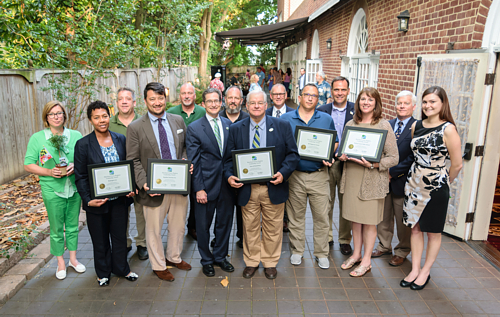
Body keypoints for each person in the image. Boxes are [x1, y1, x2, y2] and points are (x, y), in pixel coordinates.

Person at [224, 90, 300, 279]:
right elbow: (227, 160)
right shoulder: (236, 129)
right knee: (249, 227)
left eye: (260, 103)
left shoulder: (282, 126)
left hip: (273, 186)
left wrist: (283, 173)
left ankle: (269, 262)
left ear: (266, 106)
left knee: (273, 227)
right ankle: (251, 262)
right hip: (247, 188)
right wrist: (229, 176)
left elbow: (293, 154)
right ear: (246, 106)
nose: (256, 106)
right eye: (253, 103)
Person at [126, 82, 192, 282]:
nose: (157, 102)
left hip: (178, 186)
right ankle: (159, 265)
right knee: (153, 230)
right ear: (145, 101)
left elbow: (184, 149)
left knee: (178, 226)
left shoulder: (178, 120)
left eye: (160, 98)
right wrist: (144, 183)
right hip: (153, 189)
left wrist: (185, 162)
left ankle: (174, 257)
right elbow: (133, 160)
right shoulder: (135, 127)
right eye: (152, 99)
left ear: (166, 98)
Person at [401, 86, 462, 290]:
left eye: (433, 102)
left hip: (436, 186)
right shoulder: (415, 125)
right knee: (416, 228)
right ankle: (415, 269)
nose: (428, 105)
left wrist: (444, 181)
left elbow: (457, 164)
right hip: (413, 182)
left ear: (442, 104)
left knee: (433, 232)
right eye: (425, 102)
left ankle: (425, 271)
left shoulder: (448, 129)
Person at [74, 101, 138, 286]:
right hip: (97, 202)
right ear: (90, 120)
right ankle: (103, 273)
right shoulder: (83, 144)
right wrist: (87, 200)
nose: (101, 120)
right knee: (100, 240)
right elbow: (80, 176)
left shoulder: (120, 139)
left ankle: (122, 269)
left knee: (119, 238)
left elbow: (129, 167)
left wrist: (131, 187)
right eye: (96, 117)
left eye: (104, 116)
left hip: (119, 200)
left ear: (109, 116)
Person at [337, 87, 398, 277]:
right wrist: (342, 156)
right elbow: (343, 151)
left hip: (372, 179)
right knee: (355, 219)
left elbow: (394, 157)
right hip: (352, 177)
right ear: (358, 102)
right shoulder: (350, 123)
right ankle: (355, 254)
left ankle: (366, 260)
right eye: (363, 99)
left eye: (370, 100)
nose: (366, 103)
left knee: (370, 222)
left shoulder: (383, 125)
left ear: (376, 103)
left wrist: (375, 164)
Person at [24, 101, 85, 280]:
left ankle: (73, 259)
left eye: (59, 113)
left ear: (64, 115)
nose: (56, 117)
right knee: (57, 228)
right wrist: (50, 172)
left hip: (73, 187)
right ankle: (60, 262)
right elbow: (28, 164)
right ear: (46, 118)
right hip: (51, 188)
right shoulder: (38, 138)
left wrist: (76, 165)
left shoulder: (75, 135)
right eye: (52, 114)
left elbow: (84, 157)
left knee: (73, 226)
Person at [281, 84, 338, 269]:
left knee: (322, 217)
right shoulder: (286, 118)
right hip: (295, 175)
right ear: (299, 97)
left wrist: (329, 154)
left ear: (318, 99)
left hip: (319, 175)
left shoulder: (326, 119)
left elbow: (334, 143)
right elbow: (280, 145)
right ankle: (297, 251)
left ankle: (321, 253)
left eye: (314, 95)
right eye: (307, 95)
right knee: (295, 217)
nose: (310, 98)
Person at [186, 88, 234, 277]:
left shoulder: (228, 124)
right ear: (203, 104)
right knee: (203, 226)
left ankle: (220, 256)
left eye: (216, 100)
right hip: (205, 185)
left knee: (224, 223)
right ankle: (206, 260)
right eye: (209, 101)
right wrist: (198, 189)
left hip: (227, 185)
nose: (214, 104)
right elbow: (193, 161)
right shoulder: (195, 128)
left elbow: (230, 157)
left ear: (221, 102)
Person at [372, 91, 416, 266]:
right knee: (383, 215)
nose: (402, 106)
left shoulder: (416, 127)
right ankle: (384, 245)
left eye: (406, 103)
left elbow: (413, 156)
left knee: (401, 218)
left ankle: (402, 250)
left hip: (402, 181)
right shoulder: (388, 124)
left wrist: (393, 172)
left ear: (413, 106)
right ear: (395, 105)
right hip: (383, 178)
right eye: (399, 103)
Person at [108, 87, 148, 261]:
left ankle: (142, 243)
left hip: (139, 174)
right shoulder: (108, 124)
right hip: (119, 178)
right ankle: (124, 242)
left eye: (127, 98)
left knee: (141, 211)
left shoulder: (143, 122)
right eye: (120, 99)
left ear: (134, 102)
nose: (124, 101)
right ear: (116, 103)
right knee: (121, 212)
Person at [317, 76, 355, 255]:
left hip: (349, 164)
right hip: (328, 162)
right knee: (327, 201)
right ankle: (328, 236)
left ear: (348, 91)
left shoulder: (357, 110)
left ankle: (344, 239)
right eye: (336, 89)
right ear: (331, 91)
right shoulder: (322, 110)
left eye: (343, 89)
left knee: (346, 203)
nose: (339, 93)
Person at [167, 82, 206, 240]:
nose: (187, 96)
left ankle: (193, 226)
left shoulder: (203, 112)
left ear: (195, 96)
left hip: (199, 163)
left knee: (196, 198)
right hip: (178, 165)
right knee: (178, 201)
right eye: (184, 93)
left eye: (190, 93)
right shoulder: (171, 113)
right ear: (180, 96)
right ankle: (175, 230)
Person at [219, 85, 250, 248]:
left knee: (244, 208)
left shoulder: (248, 118)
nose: (233, 101)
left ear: (241, 101)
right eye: (230, 98)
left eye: (236, 98)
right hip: (222, 172)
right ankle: (220, 239)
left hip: (244, 173)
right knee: (223, 211)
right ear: (225, 99)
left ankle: (243, 237)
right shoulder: (217, 118)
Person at [267, 84, 294, 232]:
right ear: (270, 96)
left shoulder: (294, 114)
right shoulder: (263, 113)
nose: (278, 96)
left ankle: (285, 219)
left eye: (281, 94)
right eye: (275, 94)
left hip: (286, 161)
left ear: (286, 96)